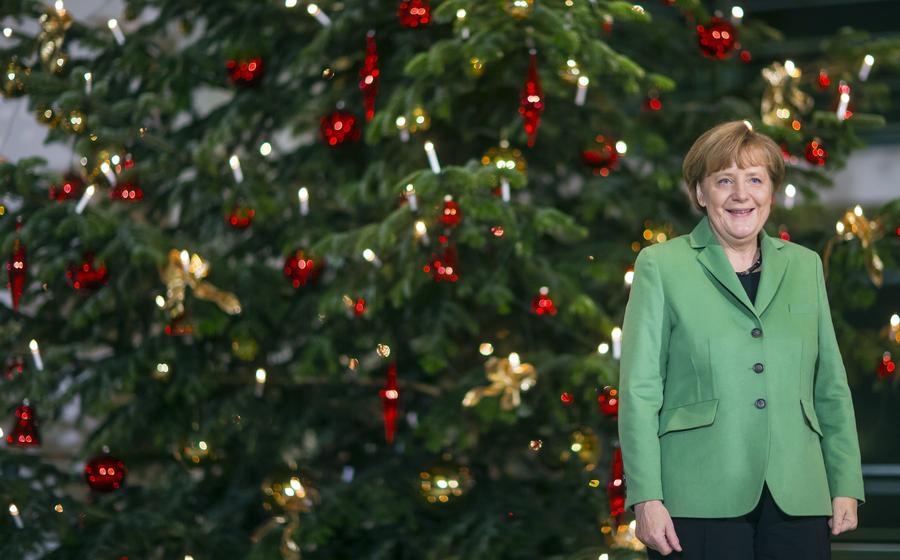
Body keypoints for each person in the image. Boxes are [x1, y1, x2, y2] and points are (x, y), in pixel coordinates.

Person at [617, 120, 865, 559]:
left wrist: (845, 481)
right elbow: (639, 391)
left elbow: (830, 384)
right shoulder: (661, 266)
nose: (740, 194)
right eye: (724, 180)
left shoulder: (805, 265)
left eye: (754, 179)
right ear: (700, 192)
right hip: (696, 496)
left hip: (799, 494)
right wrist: (646, 497)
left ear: (771, 191)